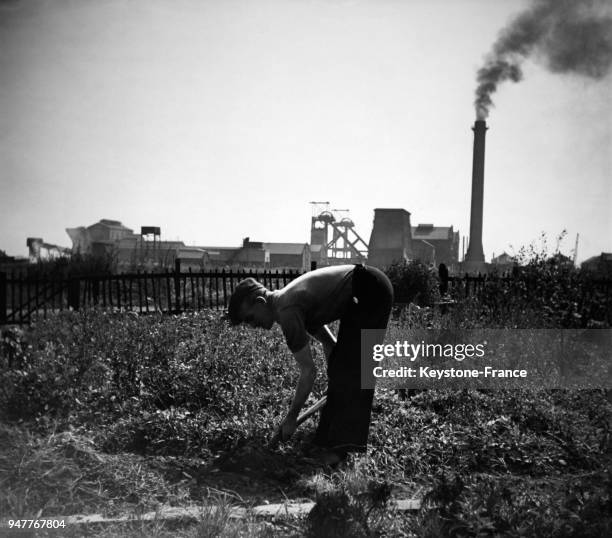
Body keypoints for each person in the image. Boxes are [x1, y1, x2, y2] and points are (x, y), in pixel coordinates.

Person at [227, 263, 393, 465]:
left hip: (369, 288)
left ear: (260, 301)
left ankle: (342, 451)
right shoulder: (287, 303)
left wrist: (291, 418)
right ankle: (324, 442)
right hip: (362, 290)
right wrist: (334, 383)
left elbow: (308, 372)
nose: (253, 325)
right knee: (343, 369)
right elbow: (329, 343)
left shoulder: (287, 311)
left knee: (355, 371)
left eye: (250, 318)